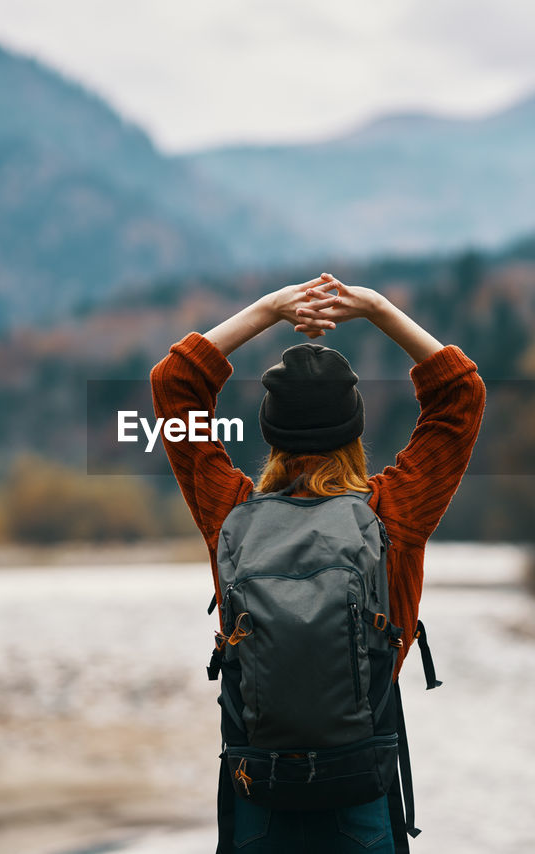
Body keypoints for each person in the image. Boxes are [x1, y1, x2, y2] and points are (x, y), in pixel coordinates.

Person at [150, 273, 486, 852]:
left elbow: (174, 383)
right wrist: (378, 308)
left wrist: (269, 309)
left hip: (260, 794)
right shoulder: (393, 516)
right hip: (359, 792)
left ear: (269, 432)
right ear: (355, 430)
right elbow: (460, 395)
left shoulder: (230, 516)